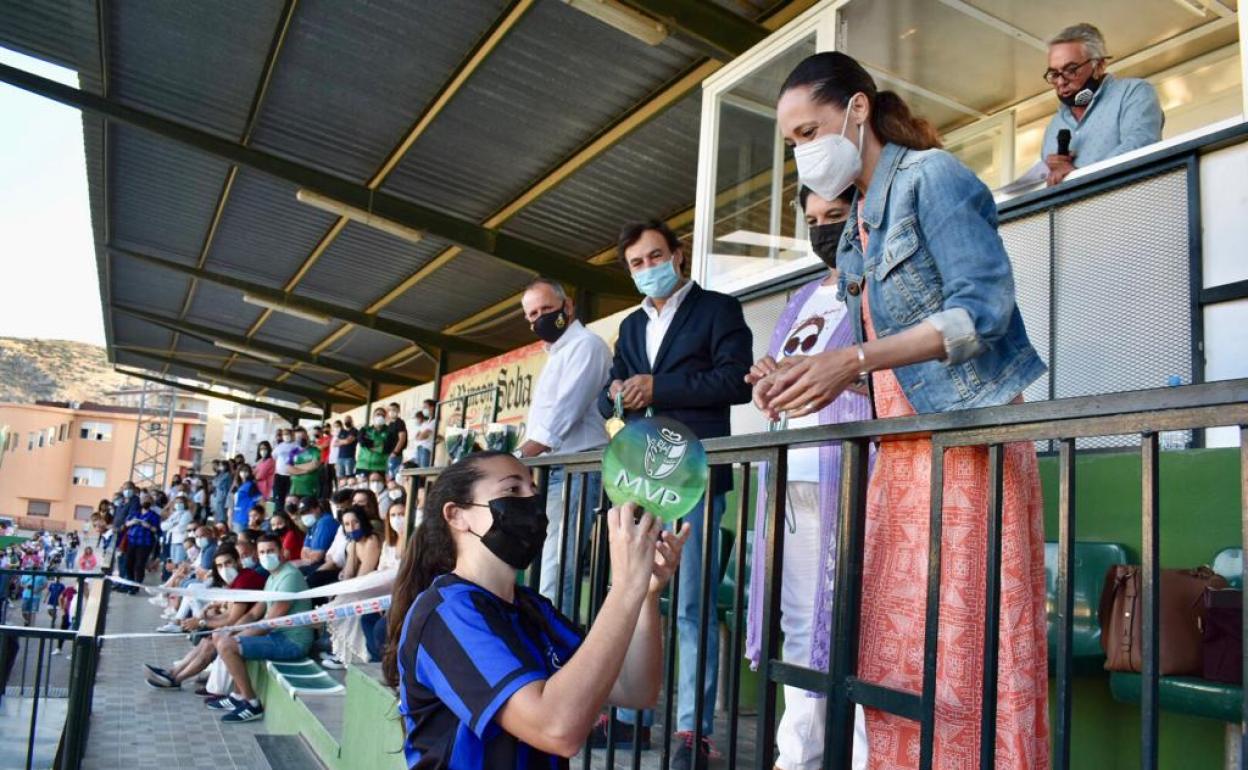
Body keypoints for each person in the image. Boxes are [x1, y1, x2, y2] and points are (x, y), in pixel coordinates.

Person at [759, 51, 1049, 768]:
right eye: (791, 142)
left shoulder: (933, 177)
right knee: (899, 660)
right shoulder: (858, 221)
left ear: (857, 110)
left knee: (966, 652)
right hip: (899, 459)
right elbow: (882, 365)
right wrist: (803, 377)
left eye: (807, 132)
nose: (802, 154)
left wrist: (850, 360)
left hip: (965, 453)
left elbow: (981, 311)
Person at [383, 451, 690, 766]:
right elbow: (557, 729)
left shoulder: (533, 608)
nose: (531, 502)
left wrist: (645, 594)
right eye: (513, 490)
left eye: (534, 491)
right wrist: (625, 588)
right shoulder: (447, 614)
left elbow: (635, 689)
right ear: (457, 515)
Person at [598, 218, 753, 762]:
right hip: (640, 478)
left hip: (696, 476)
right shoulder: (631, 329)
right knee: (634, 597)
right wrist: (617, 393)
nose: (647, 269)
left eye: (654, 257)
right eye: (636, 263)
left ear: (678, 255)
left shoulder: (718, 310)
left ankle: (693, 730)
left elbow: (736, 380)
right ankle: (629, 715)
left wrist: (659, 386)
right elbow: (606, 397)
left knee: (693, 605)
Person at [741, 186, 873, 770]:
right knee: (802, 630)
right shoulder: (801, 297)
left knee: (865, 632)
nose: (824, 230)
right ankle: (796, 759)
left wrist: (840, 375)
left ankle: (872, 758)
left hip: (854, 478)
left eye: (836, 217)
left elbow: (898, 382)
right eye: (814, 220)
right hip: (792, 481)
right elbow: (780, 386)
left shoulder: (880, 288)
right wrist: (768, 377)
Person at [517, 277, 612, 614]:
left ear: (567, 306)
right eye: (532, 315)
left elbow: (562, 416)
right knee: (544, 563)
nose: (538, 319)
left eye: (546, 309)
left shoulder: (586, 345)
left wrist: (516, 458)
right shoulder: (556, 354)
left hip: (576, 469)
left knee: (558, 567)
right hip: (551, 471)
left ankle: (557, 649)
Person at [1040, 23, 1163, 186]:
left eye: (1071, 70)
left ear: (1099, 66)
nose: (1061, 82)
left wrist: (1077, 175)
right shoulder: (1054, 126)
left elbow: (1141, 148)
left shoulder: (1132, 93)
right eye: (1054, 74)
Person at [210, 533, 314, 722]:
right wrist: (231, 630)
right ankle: (238, 696)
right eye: (263, 552)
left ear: (282, 551)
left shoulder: (290, 576)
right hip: (275, 636)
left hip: (291, 641)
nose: (267, 556)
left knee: (228, 645)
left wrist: (235, 638)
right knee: (222, 637)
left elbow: (270, 622)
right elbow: (254, 613)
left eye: (271, 551)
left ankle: (252, 703)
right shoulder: (273, 577)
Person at [322, 504, 385, 668]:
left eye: (355, 523)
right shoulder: (353, 544)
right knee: (336, 600)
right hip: (362, 586)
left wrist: (345, 592)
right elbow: (349, 573)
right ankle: (342, 653)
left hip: (375, 588)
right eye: (347, 524)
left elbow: (364, 575)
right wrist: (340, 588)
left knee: (344, 604)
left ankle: (348, 656)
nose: (352, 527)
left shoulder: (372, 540)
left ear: (362, 522)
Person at [122, 494, 162, 591]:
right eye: (143, 499)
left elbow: (157, 530)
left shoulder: (154, 516)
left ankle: (136, 586)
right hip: (132, 541)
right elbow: (126, 523)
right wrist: (133, 522)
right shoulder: (135, 513)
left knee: (139, 565)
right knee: (128, 563)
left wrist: (148, 526)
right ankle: (130, 582)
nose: (145, 501)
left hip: (145, 543)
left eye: (147, 499)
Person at [292, 496, 338, 573]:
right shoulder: (312, 525)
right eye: (303, 513)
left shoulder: (325, 522)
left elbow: (317, 557)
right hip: (316, 564)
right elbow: (303, 553)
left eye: (308, 511)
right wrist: (310, 556)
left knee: (293, 571)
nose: (305, 515)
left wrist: (310, 554)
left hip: (328, 566)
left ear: (317, 508)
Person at [288, 427, 323, 502]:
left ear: (307, 437)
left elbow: (315, 465)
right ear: (295, 438)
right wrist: (305, 470)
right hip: (295, 489)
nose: (301, 439)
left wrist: (295, 467)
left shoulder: (315, 450)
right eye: (298, 437)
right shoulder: (293, 452)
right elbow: (289, 469)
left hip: (310, 489)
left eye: (303, 436)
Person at [356, 408, 390, 479]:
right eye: (378, 414)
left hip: (380, 467)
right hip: (362, 465)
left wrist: (368, 444)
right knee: (362, 488)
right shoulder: (365, 429)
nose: (380, 417)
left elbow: (387, 447)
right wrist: (378, 444)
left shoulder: (389, 431)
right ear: (373, 416)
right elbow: (362, 442)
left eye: (382, 415)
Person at [231, 464, 263, 534]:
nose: (244, 473)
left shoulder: (251, 485)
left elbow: (259, 500)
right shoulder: (239, 485)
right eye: (242, 471)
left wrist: (255, 516)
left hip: (245, 517)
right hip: (237, 516)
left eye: (246, 471)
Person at [272, 428, 298, 504]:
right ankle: (278, 513)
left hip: (291, 476)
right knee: (279, 497)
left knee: (289, 498)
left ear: (292, 435)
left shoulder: (296, 446)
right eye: (284, 434)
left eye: (287, 434)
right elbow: (274, 457)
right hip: (279, 476)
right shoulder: (279, 446)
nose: (286, 436)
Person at [383, 402, 408, 480]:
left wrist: (395, 452)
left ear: (398, 411)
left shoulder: (400, 422)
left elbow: (402, 439)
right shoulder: (390, 424)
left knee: (393, 477)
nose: (391, 411)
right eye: (390, 410)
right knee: (388, 477)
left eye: (394, 410)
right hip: (387, 455)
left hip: (395, 455)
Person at [411, 401, 436, 468]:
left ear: (432, 408)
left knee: (423, 472)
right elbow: (416, 436)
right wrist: (420, 436)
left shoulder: (434, 421)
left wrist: (420, 436)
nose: (423, 409)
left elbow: (422, 436)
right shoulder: (426, 423)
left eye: (425, 407)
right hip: (419, 448)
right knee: (418, 472)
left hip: (426, 449)